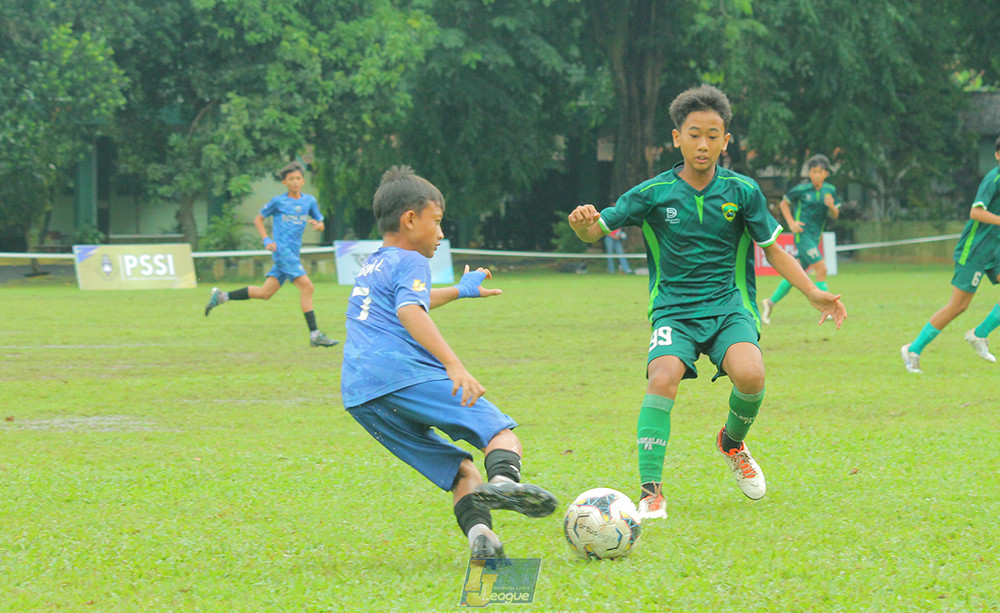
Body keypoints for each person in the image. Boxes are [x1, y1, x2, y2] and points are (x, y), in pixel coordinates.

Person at [567, 84, 846, 520]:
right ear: (676, 137)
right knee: (662, 379)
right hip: (674, 311)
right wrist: (583, 225)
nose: (703, 144)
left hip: (728, 305)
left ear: (726, 141)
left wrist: (812, 293)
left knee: (751, 375)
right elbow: (595, 231)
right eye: (694, 134)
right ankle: (651, 492)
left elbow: (773, 248)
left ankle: (732, 443)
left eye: (713, 135)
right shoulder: (652, 193)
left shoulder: (743, 191)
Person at [341, 165, 557, 558]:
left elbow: (410, 300)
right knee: (500, 434)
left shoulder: (375, 262)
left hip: (360, 392)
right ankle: (507, 484)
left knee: (461, 470)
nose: (441, 234)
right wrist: (454, 365)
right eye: (436, 222)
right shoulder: (412, 259)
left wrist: (459, 290)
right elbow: (410, 310)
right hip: (401, 374)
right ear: (410, 220)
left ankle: (483, 540)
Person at [204, 161, 339, 348]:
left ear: (303, 180)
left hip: (293, 252)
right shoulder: (278, 202)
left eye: (298, 178)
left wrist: (319, 225)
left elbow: (320, 221)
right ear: (284, 182)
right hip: (282, 252)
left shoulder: (309, 201)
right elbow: (258, 219)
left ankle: (221, 297)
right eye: (291, 179)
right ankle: (315, 334)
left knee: (265, 293)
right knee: (307, 287)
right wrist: (266, 239)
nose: (295, 182)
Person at [901, 136, 1000, 373]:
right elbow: (976, 212)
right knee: (958, 306)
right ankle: (913, 349)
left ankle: (979, 334)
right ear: (997, 155)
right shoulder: (994, 178)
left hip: (995, 251)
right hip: (975, 250)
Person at [761, 154, 841, 324]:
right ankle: (826, 307)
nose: (816, 175)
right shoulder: (801, 190)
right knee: (822, 269)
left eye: (819, 172)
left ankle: (770, 303)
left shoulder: (830, 191)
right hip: (803, 235)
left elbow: (835, 214)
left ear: (826, 173)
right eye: (813, 172)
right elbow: (784, 203)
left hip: (815, 237)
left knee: (795, 273)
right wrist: (791, 223)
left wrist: (832, 206)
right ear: (809, 173)